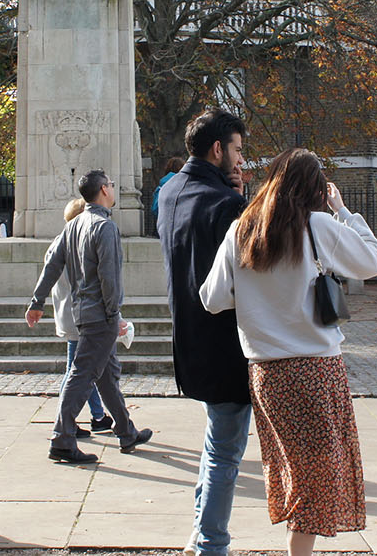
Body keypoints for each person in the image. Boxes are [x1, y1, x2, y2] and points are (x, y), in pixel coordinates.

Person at [200, 149, 377, 556]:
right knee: (316, 478)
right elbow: (372, 262)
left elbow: (212, 299)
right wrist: (344, 211)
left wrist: (255, 302)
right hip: (317, 370)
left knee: (297, 474)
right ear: (315, 187)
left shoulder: (242, 230)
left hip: (267, 375)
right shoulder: (317, 225)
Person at [156, 109, 251, 556]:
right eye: (235, 149)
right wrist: (242, 203)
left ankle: (200, 532)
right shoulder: (227, 205)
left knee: (217, 444)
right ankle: (210, 545)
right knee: (226, 452)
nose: (239, 158)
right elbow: (245, 277)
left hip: (188, 338)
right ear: (217, 149)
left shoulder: (171, 191)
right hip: (225, 345)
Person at [26, 169, 151, 463]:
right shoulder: (104, 227)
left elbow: (52, 266)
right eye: (110, 184)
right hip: (99, 314)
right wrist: (114, 313)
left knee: (106, 375)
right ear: (104, 190)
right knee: (82, 375)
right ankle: (62, 439)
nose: (113, 188)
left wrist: (37, 300)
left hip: (84, 311)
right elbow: (110, 277)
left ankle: (125, 431)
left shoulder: (73, 226)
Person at [32, 198, 111, 436]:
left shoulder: (63, 241)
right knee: (79, 370)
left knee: (85, 368)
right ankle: (68, 421)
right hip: (80, 313)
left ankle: (98, 415)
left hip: (74, 313)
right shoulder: (73, 243)